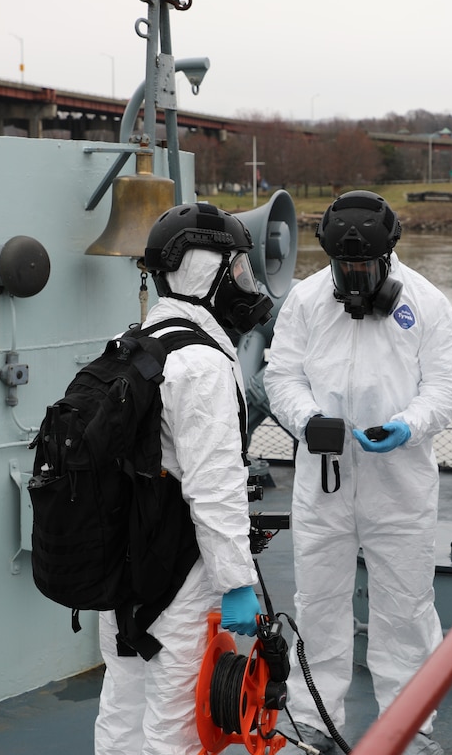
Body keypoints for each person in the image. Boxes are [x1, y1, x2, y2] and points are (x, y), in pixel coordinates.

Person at [264, 190, 452, 755]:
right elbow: (280, 376)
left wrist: (410, 423)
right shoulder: (307, 299)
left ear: (387, 256)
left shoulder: (427, 304)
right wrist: (308, 421)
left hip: (399, 486)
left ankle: (410, 730)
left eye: (363, 267)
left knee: (404, 609)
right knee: (318, 604)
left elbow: (446, 387)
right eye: (343, 266)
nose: (353, 278)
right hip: (323, 484)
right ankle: (314, 723)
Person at [94, 202, 273, 755]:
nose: (246, 282)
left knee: (121, 708)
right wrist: (237, 582)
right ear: (204, 269)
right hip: (178, 572)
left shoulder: (135, 342)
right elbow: (213, 487)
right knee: (177, 724)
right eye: (237, 268)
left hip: (123, 567)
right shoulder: (203, 364)